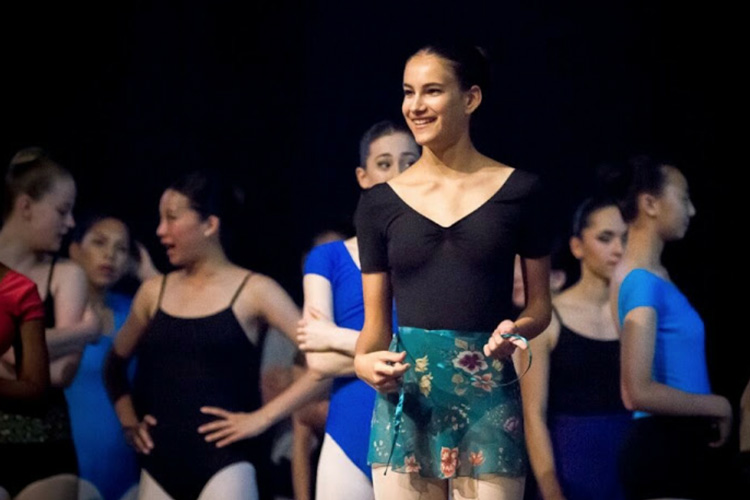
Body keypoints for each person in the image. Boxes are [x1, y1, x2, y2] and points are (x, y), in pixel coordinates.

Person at [353, 42, 552, 500]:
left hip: (487, 392)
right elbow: (374, 330)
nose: (415, 106)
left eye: (432, 91)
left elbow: (540, 307)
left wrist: (516, 330)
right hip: (408, 398)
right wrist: (364, 364)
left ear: (471, 99)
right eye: (408, 92)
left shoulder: (520, 191)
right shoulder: (379, 204)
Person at [104, 171, 325, 500]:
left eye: (172, 218)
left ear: (209, 224)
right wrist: (129, 423)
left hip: (226, 465)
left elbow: (324, 363)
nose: (160, 231)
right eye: (160, 219)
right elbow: (114, 367)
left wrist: (261, 419)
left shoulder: (255, 291)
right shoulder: (153, 293)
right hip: (160, 464)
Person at [298, 120, 419, 500]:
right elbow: (317, 362)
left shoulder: (440, 257)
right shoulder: (329, 257)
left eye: (409, 161)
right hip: (348, 432)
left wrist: (334, 337)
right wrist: (412, 356)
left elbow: (442, 352)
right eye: (385, 163)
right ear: (363, 176)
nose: (398, 173)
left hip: (420, 427)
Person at [608, 155, 733, 500]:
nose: (691, 211)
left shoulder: (650, 279)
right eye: (683, 197)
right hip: (665, 446)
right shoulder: (641, 282)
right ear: (650, 203)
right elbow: (636, 391)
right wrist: (718, 405)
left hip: (678, 444)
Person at [0, 148, 99, 498]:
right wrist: (83, 332)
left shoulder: (66, 275)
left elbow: (59, 375)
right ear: (25, 206)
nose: (71, 223)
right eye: (62, 210)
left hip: (46, 448)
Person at [521, 197, 630, 500]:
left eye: (625, 239)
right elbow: (533, 415)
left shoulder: (638, 317)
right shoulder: (546, 319)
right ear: (577, 246)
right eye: (605, 238)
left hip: (630, 464)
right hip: (571, 466)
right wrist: (551, 490)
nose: (618, 250)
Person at [65, 215, 144, 499]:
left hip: (126, 466)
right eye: (99, 242)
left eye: (121, 249)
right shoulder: (56, 312)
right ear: (74, 249)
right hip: (71, 466)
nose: (109, 255)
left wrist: (147, 274)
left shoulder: (134, 311)